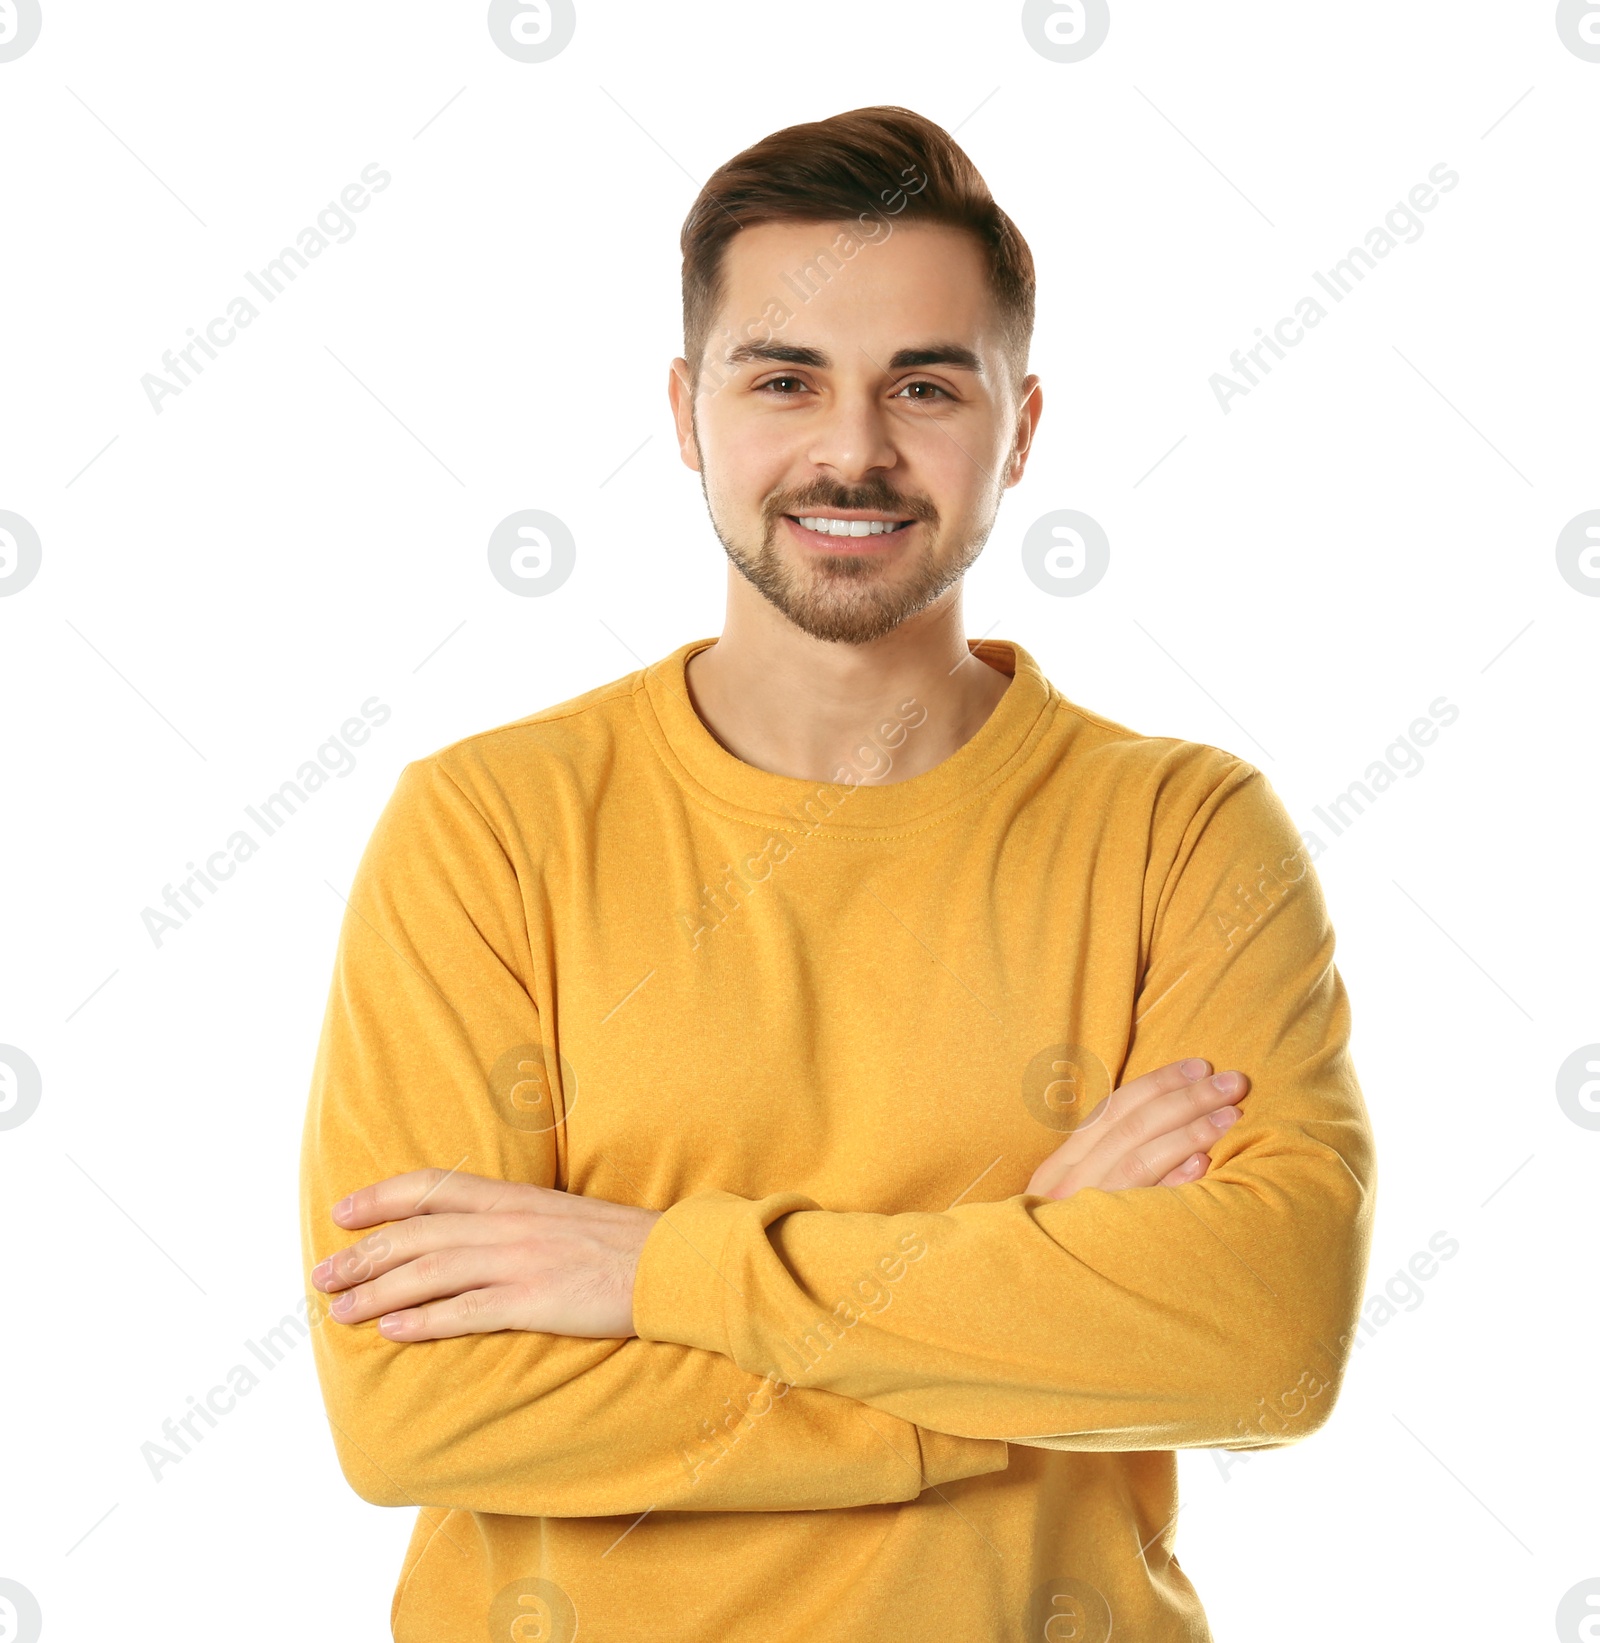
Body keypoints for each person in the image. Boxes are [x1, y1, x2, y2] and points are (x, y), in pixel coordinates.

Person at [300, 104, 1375, 1643]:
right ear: (686, 411)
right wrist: (1012, 1354)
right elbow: (422, 1407)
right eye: (784, 379)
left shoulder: (1184, 833)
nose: (852, 449)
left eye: (924, 386)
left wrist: (659, 1270)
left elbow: (1266, 1344)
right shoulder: (485, 828)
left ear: (1022, 424)